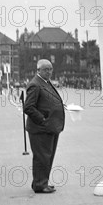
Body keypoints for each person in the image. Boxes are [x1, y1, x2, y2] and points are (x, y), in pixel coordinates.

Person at [23, 59, 65, 194]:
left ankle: (41, 182)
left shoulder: (45, 82)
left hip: (50, 127)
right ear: (38, 70)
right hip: (41, 128)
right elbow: (28, 107)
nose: (49, 72)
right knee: (42, 157)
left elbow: (47, 101)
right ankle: (40, 185)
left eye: (51, 69)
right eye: (46, 69)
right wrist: (43, 119)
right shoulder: (35, 84)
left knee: (47, 156)